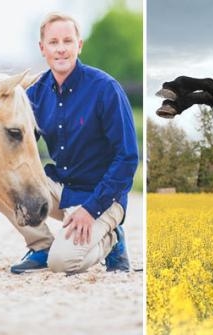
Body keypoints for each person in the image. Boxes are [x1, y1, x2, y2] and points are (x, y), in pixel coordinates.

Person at [7, 12, 138, 274]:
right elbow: (18, 145)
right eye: (54, 42)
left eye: (68, 41)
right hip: (62, 189)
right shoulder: (34, 94)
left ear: (79, 45)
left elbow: (127, 158)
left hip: (103, 197)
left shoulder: (105, 89)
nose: (61, 49)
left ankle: (112, 239)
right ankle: (41, 244)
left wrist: (90, 210)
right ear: (42, 48)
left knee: (63, 263)